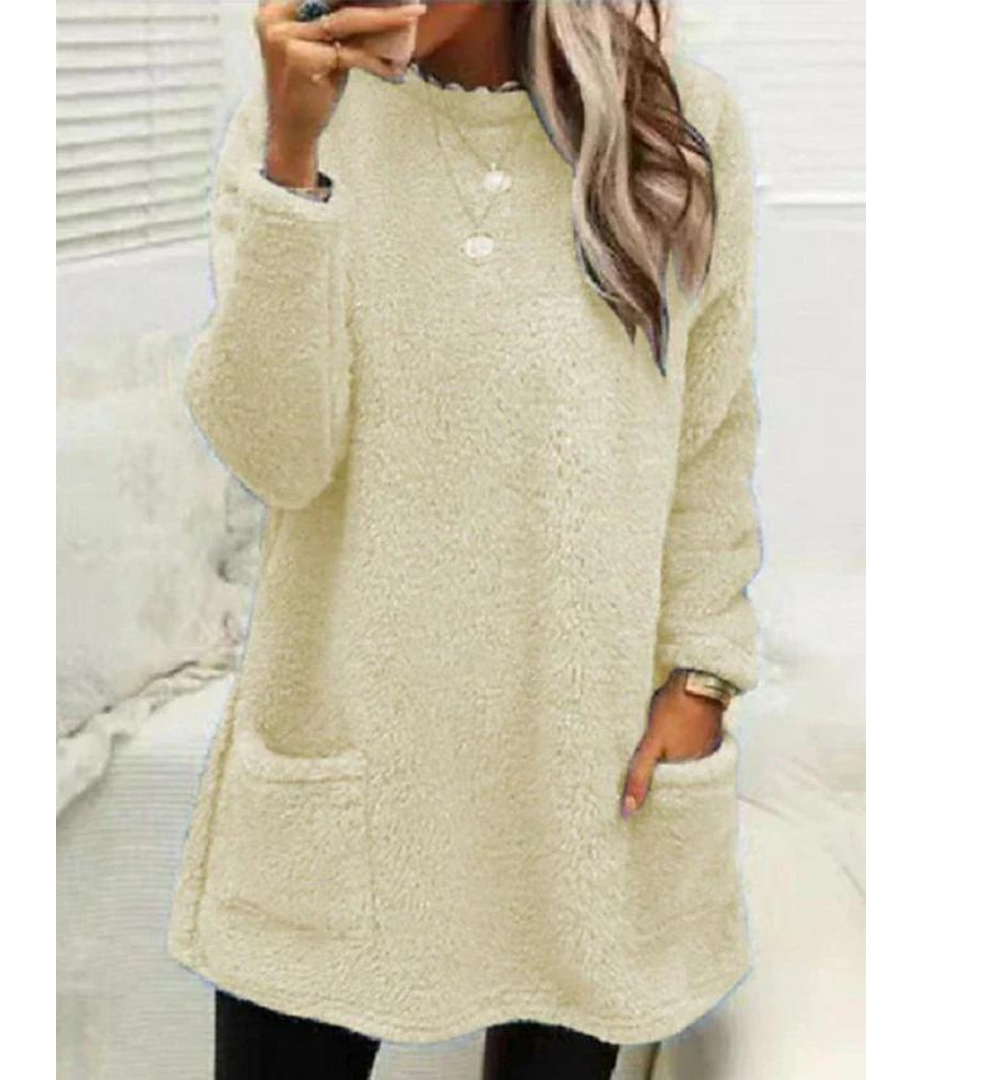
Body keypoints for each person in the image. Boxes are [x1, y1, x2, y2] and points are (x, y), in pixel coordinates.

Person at [166, 2, 764, 1077]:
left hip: (580, 774)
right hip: (345, 749)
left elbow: (711, 434)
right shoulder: (296, 122)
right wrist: (293, 162)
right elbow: (276, 455)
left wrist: (703, 676)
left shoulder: (678, 124)